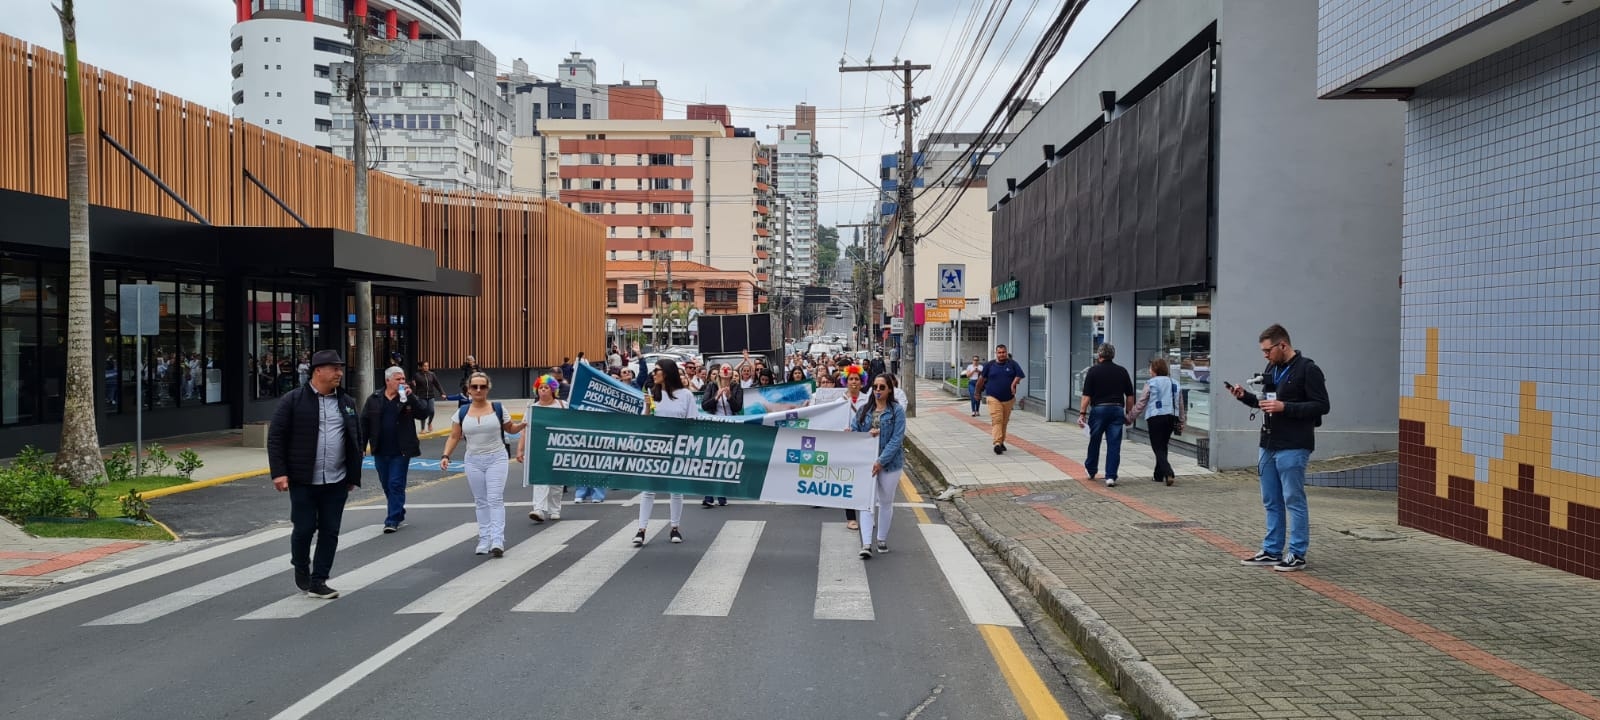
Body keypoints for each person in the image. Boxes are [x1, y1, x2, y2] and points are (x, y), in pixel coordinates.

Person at [1231, 324, 1330, 573]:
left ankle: (1297, 553)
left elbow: (1322, 405)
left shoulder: (1308, 369)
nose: (1265, 356)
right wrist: (1245, 397)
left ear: (1282, 345)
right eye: (1263, 352)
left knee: (1293, 499)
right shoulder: (1272, 369)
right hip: (1268, 443)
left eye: (1268, 351)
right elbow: (1266, 403)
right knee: (1271, 499)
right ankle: (1272, 550)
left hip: (1294, 444)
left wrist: (1286, 407)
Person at [267, 349, 362, 600]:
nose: (339, 373)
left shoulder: (347, 402)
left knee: (330, 531)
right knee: (304, 529)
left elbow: (355, 438)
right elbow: (276, 438)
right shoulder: (293, 400)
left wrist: (353, 474)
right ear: (318, 371)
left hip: (336, 480)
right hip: (303, 480)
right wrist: (279, 473)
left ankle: (319, 580)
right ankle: (301, 565)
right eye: (334, 368)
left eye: (340, 369)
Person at [440, 371, 528, 557]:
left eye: (483, 386)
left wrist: (523, 425)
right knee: (480, 501)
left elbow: (510, 428)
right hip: (473, 460)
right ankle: (484, 539)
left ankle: (497, 540)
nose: (478, 390)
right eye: (474, 386)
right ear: (468, 389)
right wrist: (446, 455)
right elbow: (454, 436)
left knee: (495, 498)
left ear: (488, 389)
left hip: (496, 458)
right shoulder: (461, 413)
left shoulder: (498, 408)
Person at [364, 366, 430, 533]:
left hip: (401, 450)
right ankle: (398, 511)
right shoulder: (374, 398)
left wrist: (411, 397)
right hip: (380, 449)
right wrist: (361, 446)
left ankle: (392, 519)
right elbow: (364, 423)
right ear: (388, 380)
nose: (402, 382)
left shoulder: (407, 398)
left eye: (403, 379)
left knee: (395, 483)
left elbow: (424, 413)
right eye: (398, 379)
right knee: (387, 484)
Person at [635, 358, 693, 547]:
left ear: (667, 372)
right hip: (656, 447)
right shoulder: (653, 393)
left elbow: (692, 422)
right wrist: (646, 406)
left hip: (677, 447)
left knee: (676, 489)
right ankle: (641, 529)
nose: (654, 374)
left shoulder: (686, 395)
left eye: (657, 370)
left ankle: (675, 527)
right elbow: (644, 423)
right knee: (649, 489)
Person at [851, 373, 905, 559]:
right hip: (867, 463)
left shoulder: (896, 411)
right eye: (875, 387)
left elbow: (897, 439)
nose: (878, 390)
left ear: (889, 389)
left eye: (882, 387)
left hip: (890, 464)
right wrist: (866, 434)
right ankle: (866, 543)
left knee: (885, 502)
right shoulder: (863, 410)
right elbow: (855, 432)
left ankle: (881, 539)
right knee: (867, 502)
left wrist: (881, 461)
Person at [1078, 343, 1134, 487]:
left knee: (1095, 440)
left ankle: (1091, 469)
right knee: (1114, 443)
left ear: (1099, 355)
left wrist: (1082, 413)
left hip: (1099, 410)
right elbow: (1129, 395)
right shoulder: (1122, 371)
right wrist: (1129, 413)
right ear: (1113, 355)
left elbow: (1086, 396)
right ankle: (1111, 476)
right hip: (1117, 409)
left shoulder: (1093, 371)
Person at [1129, 356, 1185, 486]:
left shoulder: (1151, 383)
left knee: (1157, 446)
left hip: (1156, 417)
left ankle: (1168, 472)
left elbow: (1141, 403)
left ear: (1154, 369)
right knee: (1163, 445)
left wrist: (1130, 417)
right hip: (1171, 417)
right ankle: (1158, 475)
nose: (1149, 370)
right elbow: (1180, 404)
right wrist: (1181, 420)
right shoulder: (1175, 383)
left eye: (1150, 368)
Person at [523, 375, 569, 521]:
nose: (543, 390)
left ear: (553, 390)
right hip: (539, 448)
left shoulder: (562, 405)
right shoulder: (532, 408)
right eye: (540, 387)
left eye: (546, 387)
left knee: (556, 481)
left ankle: (555, 509)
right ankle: (538, 509)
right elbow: (525, 430)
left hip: (559, 447)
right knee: (540, 479)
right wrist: (520, 449)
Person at [700, 364, 741, 508]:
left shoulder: (736, 387)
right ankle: (709, 496)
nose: (725, 370)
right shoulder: (711, 386)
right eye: (723, 368)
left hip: (730, 426)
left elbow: (738, 407)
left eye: (728, 368)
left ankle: (722, 494)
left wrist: (729, 397)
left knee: (724, 461)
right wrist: (716, 397)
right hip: (714, 426)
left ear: (731, 373)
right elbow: (705, 405)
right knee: (711, 460)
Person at [975, 344, 1026, 455]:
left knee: (1004, 421)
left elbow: (1020, 375)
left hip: (1008, 398)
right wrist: (977, 393)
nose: (1002, 354)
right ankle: (997, 443)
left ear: (1006, 353)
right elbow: (981, 380)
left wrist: (1013, 384)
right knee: (997, 419)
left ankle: (1001, 441)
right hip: (993, 397)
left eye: (1003, 352)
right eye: (999, 352)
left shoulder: (1012, 364)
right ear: (996, 353)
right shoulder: (990, 365)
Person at [839, 365, 871, 531]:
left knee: (866, 482)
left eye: (857, 379)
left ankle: (867, 515)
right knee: (848, 482)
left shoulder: (868, 401)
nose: (853, 382)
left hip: (865, 446)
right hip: (846, 447)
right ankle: (851, 518)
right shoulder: (838, 402)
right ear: (846, 381)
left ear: (862, 381)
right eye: (850, 379)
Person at [411, 360, 446, 433]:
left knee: (431, 411)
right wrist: (413, 386)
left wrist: (442, 393)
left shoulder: (432, 374)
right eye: (424, 366)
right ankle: (422, 428)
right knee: (423, 411)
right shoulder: (417, 375)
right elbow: (413, 386)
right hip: (421, 396)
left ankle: (429, 423)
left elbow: (437, 384)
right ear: (421, 367)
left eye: (427, 366)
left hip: (430, 395)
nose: (426, 367)